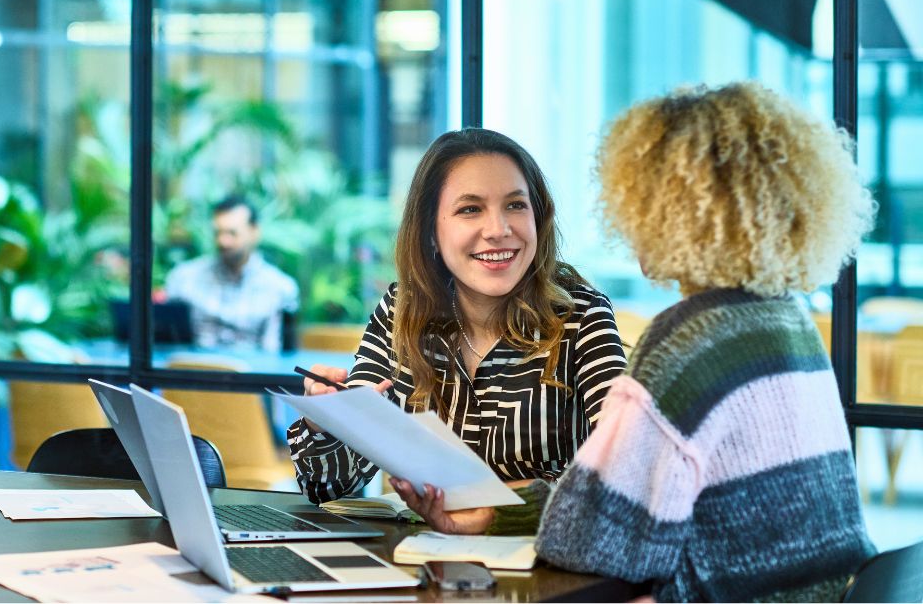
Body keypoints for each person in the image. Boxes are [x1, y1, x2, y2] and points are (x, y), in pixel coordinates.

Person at [392, 83, 877, 602]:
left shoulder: (692, 339)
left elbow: (600, 545)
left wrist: (496, 517)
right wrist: (496, 514)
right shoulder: (785, 320)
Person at [288, 128, 627, 504]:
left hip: (539, 557)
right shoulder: (403, 311)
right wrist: (328, 421)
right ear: (431, 230)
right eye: (470, 209)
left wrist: (493, 507)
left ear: (538, 217)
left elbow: (623, 473)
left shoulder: (580, 316)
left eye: (516, 205)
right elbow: (330, 488)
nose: (499, 230)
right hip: (421, 555)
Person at [164, 196, 298, 353]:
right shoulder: (183, 279)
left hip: (252, 375)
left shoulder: (281, 288)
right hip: (195, 372)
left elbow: (275, 356)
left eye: (232, 233)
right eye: (218, 233)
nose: (223, 241)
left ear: (255, 232)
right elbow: (169, 346)